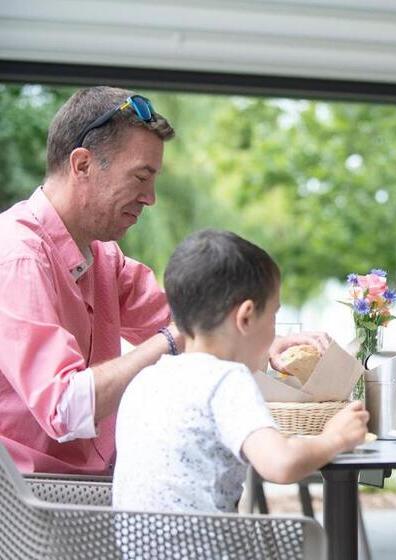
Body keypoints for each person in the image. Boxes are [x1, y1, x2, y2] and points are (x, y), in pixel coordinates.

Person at [0, 86, 326, 476]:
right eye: (141, 177)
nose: (151, 197)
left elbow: (199, 321)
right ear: (82, 164)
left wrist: (267, 341)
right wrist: (172, 340)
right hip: (34, 501)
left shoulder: (105, 257)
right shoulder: (16, 256)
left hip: (95, 485)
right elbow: (65, 409)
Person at [112, 229, 369, 513]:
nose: (274, 330)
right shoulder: (227, 380)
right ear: (246, 317)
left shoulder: (146, 379)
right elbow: (281, 464)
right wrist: (335, 438)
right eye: (273, 315)